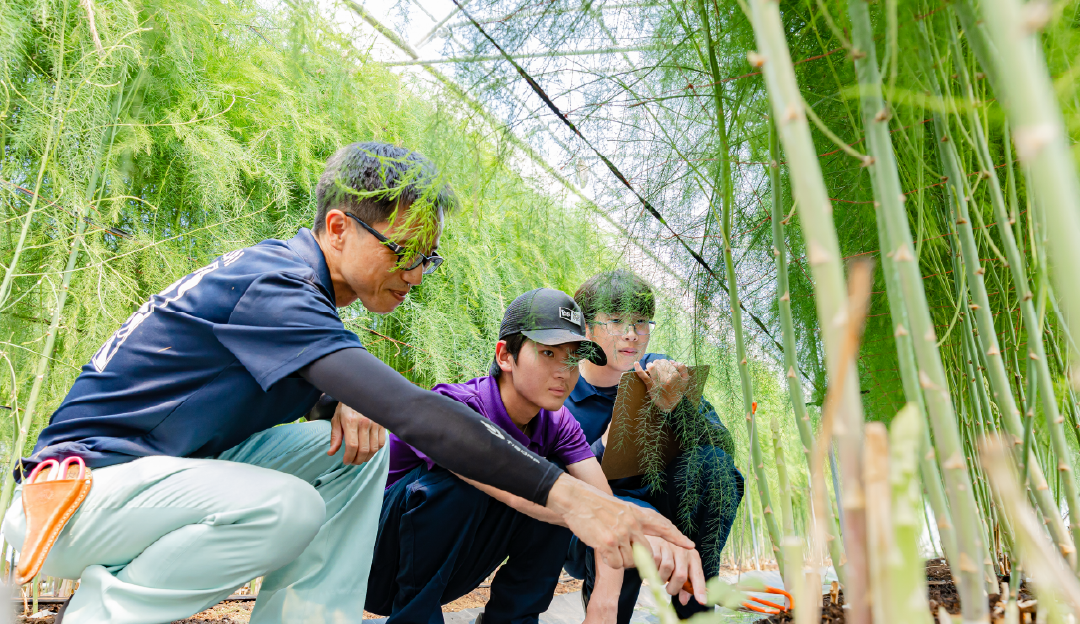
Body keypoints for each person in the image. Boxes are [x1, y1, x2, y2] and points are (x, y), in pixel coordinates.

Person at [1, 144, 694, 624]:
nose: (418, 274)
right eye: (405, 252)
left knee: (354, 457)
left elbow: (373, 406)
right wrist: (579, 502)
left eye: (430, 258)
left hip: (158, 483)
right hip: (71, 498)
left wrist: (337, 396)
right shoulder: (273, 288)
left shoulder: (294, 300)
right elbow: (418, 412)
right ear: (338, 228)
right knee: (287, 506)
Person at [363, 288, 707, 624]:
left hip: (452, 572)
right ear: (505, 356)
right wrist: (574, 508)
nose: (564, 372)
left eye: (573, 358)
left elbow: (603, 504)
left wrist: (604, 603)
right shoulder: (458, 406)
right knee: (475, 476)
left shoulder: (557, 423)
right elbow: (570, 504)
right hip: (371, 563)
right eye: (548, 354)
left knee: (559, 481)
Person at [564, 270, 745, 624]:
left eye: (641, 321)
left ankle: (695, 610)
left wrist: (677, 407)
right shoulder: (563, 392)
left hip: (669, 500)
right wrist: (606, 439)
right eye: (616, 321)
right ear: (586, 329)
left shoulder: (664, 373)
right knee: (624, 522)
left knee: (712, 467)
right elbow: (556, 487)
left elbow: (724, 452)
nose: (631, 334)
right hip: (596, 516)